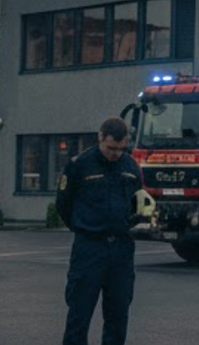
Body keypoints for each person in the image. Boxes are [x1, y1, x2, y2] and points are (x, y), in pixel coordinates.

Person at [56, 117, 145, 345]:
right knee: (79, 315)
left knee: (118, 317)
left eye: (120, 148)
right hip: (90, 248)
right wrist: (83, 228)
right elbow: (63, 205)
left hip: (121, 250)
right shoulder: (80, 165)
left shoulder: (130, 167)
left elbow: (138, 202)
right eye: (110, 148)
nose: (115, 153)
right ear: (100, 138)